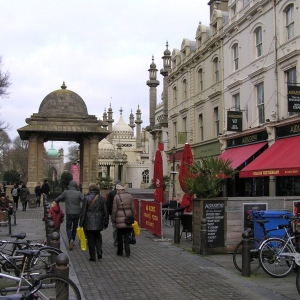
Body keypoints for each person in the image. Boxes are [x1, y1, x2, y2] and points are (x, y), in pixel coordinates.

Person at [79, 184, 108, 261]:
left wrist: (81, 223)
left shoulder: (86, 198)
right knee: (97, 236)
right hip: (99, 221)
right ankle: (99, 251)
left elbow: (83, 211)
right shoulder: (101, 198)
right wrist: (106, 222)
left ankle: (92, 256)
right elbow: (106, 211)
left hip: (88, 221)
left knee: (90, 239)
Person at [55, 180, 83, 250]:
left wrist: (56, 202)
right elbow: (84, 200)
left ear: (69, 186)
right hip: (77, 213)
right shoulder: (78, 193)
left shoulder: (66, 193)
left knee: (68, 227)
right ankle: (72, 239)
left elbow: (58, 199)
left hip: (69, 213)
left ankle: (70, 239)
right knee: (75, 227)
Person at [111, 183, 135, 257]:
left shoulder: (117, 197)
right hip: (128, 218)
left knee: (120, 236)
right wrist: (133, 217)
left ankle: (120, 251)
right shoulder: (130, 196)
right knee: (127, 236)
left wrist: (113, 219)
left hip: (119, 218)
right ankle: (127, 251)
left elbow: (114, 210)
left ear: (118, 189)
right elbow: (133, 208)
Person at [106, 180, 120, 246]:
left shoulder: (111, 193)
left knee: (115, 228)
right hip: (123, 213)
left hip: (113, 212)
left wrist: (109, 213)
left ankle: (116, 240)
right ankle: (121, 240)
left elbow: (108, 203)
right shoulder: (126, 194)